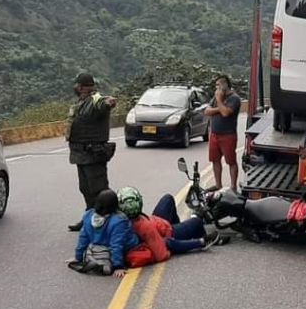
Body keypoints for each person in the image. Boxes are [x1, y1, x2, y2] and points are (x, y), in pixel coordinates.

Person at [117, 186, 227, 266]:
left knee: (168, 199)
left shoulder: (119, 219)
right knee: (197, 221)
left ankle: (181, 228)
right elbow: (162, 255)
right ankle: (201, 239)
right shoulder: (145, 227)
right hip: (167, 232)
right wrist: (170, 246)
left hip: (157, 223)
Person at [65, 73, 118, 232]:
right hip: (80, 154)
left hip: (93, 154)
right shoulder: (81, 103)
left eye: (77, 85)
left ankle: (110, 222)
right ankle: (89, 218)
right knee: (85, 189)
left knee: (100, 190)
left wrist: (109, 103)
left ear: (81, 87)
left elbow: (104, 103)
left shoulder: (95, 100)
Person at [67, 189, 139, 278]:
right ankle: (110, 262)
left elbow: (83, 237)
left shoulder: (88, 215)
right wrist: (118, 266)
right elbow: (116, 244)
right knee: (137, 242)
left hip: (97, 247)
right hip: (114, 250)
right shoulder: (119, 220)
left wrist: (78, 257)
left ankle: (93, 259)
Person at [204, 75, 241, 190]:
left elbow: (226, 113)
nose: (217, 88)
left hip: (228, 135)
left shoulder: (234, 98)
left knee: (231, 161)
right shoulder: (215, 98)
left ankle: (233, 186)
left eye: (219, 85)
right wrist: (219, 108)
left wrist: (219, 101)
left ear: (225, 85)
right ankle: (218, 184)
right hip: (215, 134)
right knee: (215, 160)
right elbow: (207, 111)